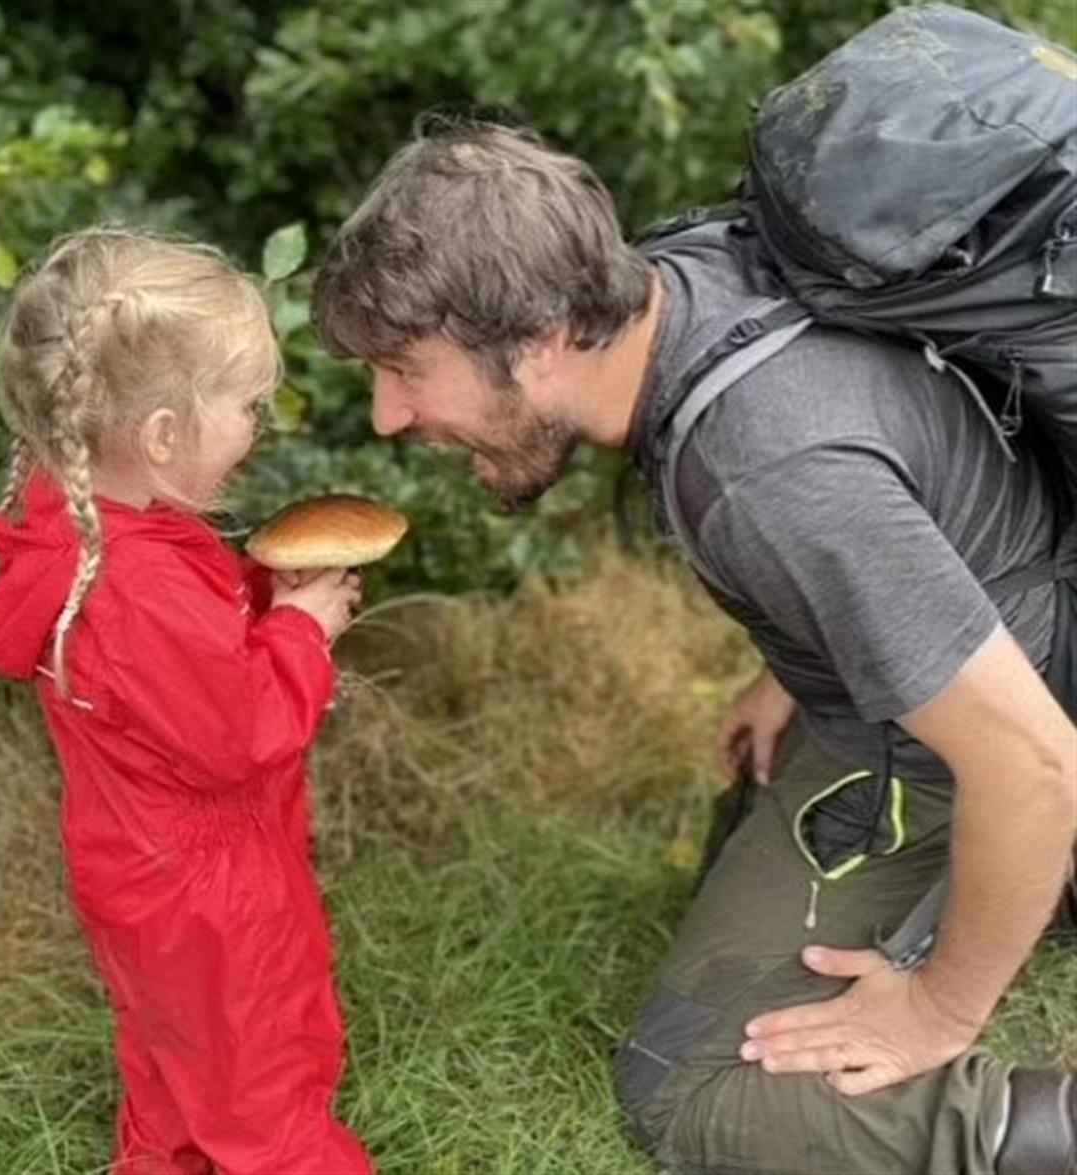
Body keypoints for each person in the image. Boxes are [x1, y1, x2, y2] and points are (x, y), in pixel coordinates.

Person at [311, 121, 1077, 1174]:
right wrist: (796, 663)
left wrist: (940, 1008)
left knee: (688, 1086)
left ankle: (1038, 1114)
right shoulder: (683, 279)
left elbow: (1035, 763)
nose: (390, 414)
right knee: (743, 819)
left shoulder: (768, 467)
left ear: (538, 336)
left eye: (407, 369)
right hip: (998, 636)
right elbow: (891, 471)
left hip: (1005, 734)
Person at [0, 228, 371, 1175]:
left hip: (140, 877)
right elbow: (238, 729)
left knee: (176, 1070)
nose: (257, 425)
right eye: (245, 405)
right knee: (266, 1086)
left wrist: (267, 603)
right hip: (215, 892)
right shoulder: (136, 589)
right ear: (162, 434)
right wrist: (304, 633)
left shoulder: (87, 526)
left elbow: (181, 676)